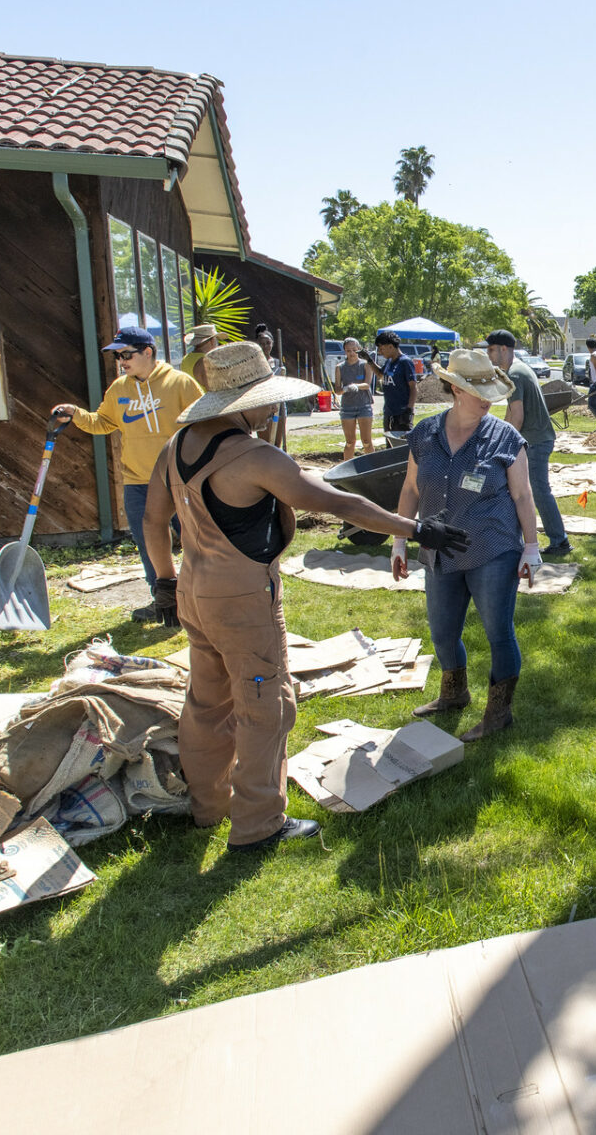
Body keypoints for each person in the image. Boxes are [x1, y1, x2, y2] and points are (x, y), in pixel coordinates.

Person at [145, 342, 468, 851]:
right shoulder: (252, 457)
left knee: (205, 705)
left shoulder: (177, 446)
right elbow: (339, 500)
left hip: (192, 592)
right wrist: (416, 528)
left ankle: (207, 807)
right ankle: (257, 824)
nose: (274, 409)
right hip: (242, 600)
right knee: (265, 709)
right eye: (267, 401)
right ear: (243, 402)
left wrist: (163, 581)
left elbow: (151, 519)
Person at [397, 348, 543, 741]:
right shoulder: (424, 434)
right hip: (437, 550)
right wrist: (399, 539)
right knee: (443, 631)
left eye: (491, 391)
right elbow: (410, 489)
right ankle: (454, 693)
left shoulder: (505, 437)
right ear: (455, 390)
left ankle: (498, 713)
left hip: (492, 550)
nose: (488, 399)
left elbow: (523, 497)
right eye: (479, 391)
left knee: (499, 630)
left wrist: (531, 547)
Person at [53, 326, 204, 623]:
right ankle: (163, 601)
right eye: (118, 356)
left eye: (126, 354)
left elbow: (204, 420)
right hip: (138, 481)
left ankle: (199, 600)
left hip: (179, 477)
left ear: (148, 352)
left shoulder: (180, 383)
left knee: (196, 541)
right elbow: (103, 422)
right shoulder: (120, 388)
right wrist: (76, 413)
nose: (122, 361)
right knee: (149, 545)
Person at [485, 330, 572, 558]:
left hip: (535, 441)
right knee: (526, 491)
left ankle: (559, 541)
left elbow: (518, 417)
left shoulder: (514, 374)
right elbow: (511, 411)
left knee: (538, 492)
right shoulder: (519, 370)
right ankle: (530, 538)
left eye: (491, 349)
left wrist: (501, 446)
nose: (488, 354)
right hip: (537, 438)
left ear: (504, 349)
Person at [334, 337, 377, 461]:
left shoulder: (365, 365)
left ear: (358, 349)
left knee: (366, 441)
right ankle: (347, 469)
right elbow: (337, 389)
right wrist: (346, 389)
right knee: (350, 442)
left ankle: (373, 467)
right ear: (345, 352)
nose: (351, 353)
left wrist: (355, 386)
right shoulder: (340, 367)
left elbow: (367, 384)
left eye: (354, 350)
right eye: (348, 351)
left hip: (364, 405)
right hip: (347, 407)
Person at [374, 331, 416, 441]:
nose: (380, 352)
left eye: (382, 348)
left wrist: (409, 410)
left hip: (402, 413)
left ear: (391, 347)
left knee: (401, 445)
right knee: (389, 443)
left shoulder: (405, 362)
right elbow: (380, 374)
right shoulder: (389, 362)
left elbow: (413, 387)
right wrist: (369, 361)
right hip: (389, 412)